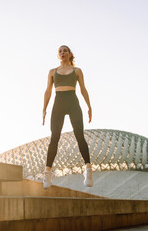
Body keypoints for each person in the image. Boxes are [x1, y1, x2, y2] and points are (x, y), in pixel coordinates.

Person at [42, 45, 93, 189]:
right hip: (58, 103)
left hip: (73, 102)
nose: (62, 52)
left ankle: (88, 171)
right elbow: (48, 91)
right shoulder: (52, 72)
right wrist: (44, 109)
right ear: (58, 55)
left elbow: (83, 89)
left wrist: (89, 106)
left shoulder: (77, 71)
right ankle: (47, 174)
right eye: (60, 51)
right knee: (54, 137)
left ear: (70, 54)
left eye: (65, 50)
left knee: (79, 135)